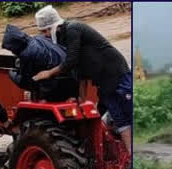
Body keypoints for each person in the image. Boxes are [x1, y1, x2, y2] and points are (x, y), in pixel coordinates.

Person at [31, 5, 132, 156]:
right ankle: (130, 154)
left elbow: (71, 61)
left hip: (115, 73)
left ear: (53, 26)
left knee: (129, 111)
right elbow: (78, 71)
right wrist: (81, 101)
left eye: (45, 31)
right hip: (103, 82)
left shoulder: (73, 29)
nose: (45, 35)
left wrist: (48, 73)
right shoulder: (63, 38)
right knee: (119, 118)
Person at [1, 24, 78, 102]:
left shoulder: (27, 54)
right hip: (73, 81)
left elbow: (26, 80)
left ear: (14, 46)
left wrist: (12, 74)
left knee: (30, 79)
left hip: (55, 88)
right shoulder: (39, 38)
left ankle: (41, 99)